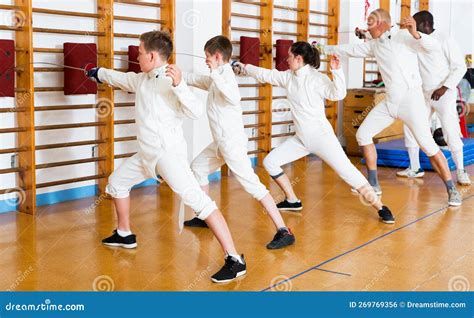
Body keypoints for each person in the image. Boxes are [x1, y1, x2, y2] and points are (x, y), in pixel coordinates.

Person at [86, 31, 246, 283]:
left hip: (168, 155)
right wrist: (99, 73)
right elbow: (122, 78)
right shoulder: (142, 79)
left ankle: (235, 259)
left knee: (200, 202)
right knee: (117, 183)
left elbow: (194, 110)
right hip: (147, 155)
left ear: (151, 55)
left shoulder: (171, 80)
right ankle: (124, 233)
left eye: (139, 53)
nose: (137, 57)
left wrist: (180, 85)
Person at [233, 41, 395, 224]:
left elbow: (338, 94)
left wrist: (337, 71)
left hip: (322, 138)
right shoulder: (289, 77)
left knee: (348, 172)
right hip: (301, 139)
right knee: (270, 162)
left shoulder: (317, 79)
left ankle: (381, 207)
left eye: (289, 56)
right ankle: (292, 201)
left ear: (299, 59)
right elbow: (266, 74)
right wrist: (245, 67)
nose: (286, 59)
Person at [323, 9, 462, 206]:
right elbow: (349, 50)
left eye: (370, 21)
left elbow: (432, 46)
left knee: (429, 146)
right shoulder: (374, 45)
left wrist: (415, 32)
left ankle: (451, 189)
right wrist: (321, 48)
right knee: (363, 135)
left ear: (381, 23)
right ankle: (373, 183)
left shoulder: (403, 36)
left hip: (411, 103)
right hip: (390, 103)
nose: (367, 26)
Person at [182, 35, 296, 249]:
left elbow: (233, 97)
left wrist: (215, 75)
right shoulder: (217, 77)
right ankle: (204, 215)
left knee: (253, 187)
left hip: (232, 145)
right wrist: (177, 75)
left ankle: (283, 230)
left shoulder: (226, 79)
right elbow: (198, 80)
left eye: (208, 56)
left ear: (217, 56)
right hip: (220, 144)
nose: (205, 60)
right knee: (197, 167)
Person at [396, 11, 470, 186]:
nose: (412, 27)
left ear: (426, 24)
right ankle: (415, 167)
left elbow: (460, 67)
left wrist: (444, 88)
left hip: (444, 93)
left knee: (450, 131)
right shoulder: (414, 38)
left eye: (415, 23)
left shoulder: (445, 38)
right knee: (411, 125)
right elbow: (393, 36)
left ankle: (460, 171)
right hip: (423, 93)